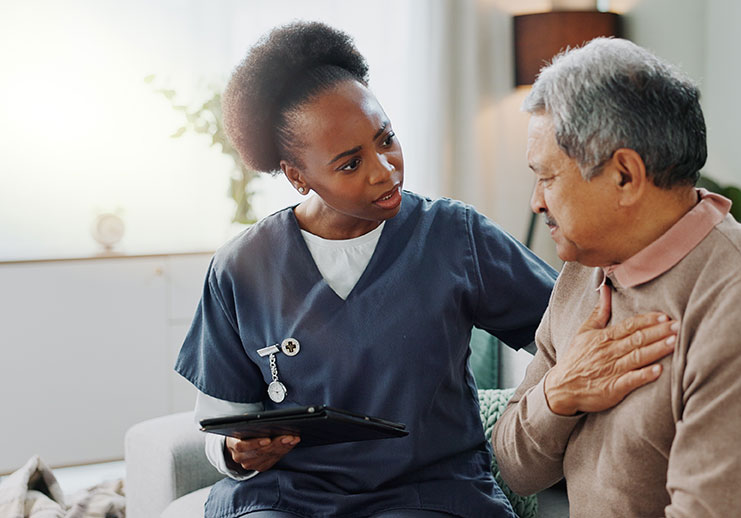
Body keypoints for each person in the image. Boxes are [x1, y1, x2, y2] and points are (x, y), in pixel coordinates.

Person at [173, 22, 672, 518]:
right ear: (297, 175)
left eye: (386, 139)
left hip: (429, 493)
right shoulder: (241, 268)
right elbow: (222, 422)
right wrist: (238, 452)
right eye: (350, 164)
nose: (384, 169)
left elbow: (573, 326)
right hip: (287, 497)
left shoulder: (453, 236)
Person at [491, 38, 741, 517]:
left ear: (625, 175)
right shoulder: (583, 270)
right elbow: (515, 470)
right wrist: (560, 392)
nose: (536, 201)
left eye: (547, 177)